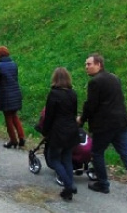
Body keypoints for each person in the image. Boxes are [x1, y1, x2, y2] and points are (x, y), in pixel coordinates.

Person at [79, 53, 127, 203]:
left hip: (105, 125)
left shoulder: (95, 82)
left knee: (97, 152)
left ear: (99, 64)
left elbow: (91, 105)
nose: (86, 67)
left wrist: (82, 119)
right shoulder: (115, 78)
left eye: (89, 64)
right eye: (86, 64)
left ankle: (103, 183)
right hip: (122, 122)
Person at [43, 67, 80, 201]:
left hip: (58, 131)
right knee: (66, 159)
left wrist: (45, 131)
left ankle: (69, 185)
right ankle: (67, 190)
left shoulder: (54, 94)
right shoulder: (73, 93)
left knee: (54, 159)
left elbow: (49, 115)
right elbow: (74, 113)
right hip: (71, 130)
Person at [0, 46, 25, 148]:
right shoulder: (14, 64)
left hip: (5, 94)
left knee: (8, 118)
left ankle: (13, 140)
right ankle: (22, 136)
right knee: (14, 115)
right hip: (16, 92)